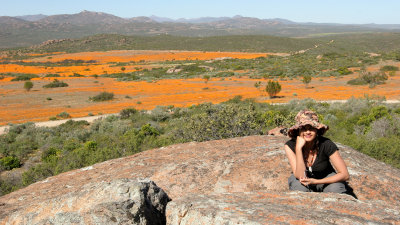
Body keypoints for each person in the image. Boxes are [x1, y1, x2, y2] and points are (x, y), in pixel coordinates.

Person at [284, 109, 350, 193]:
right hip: (301, 181)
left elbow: (345, 175)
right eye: (303, 128)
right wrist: (298, 149)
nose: (307, 132)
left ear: (317, 130)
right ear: (298, 131)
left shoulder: (326, 144)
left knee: (335, 189)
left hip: (325, 179)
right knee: (299, 190)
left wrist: (316, 182)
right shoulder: (290, 145)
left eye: (311, 128)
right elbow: (300, 175)